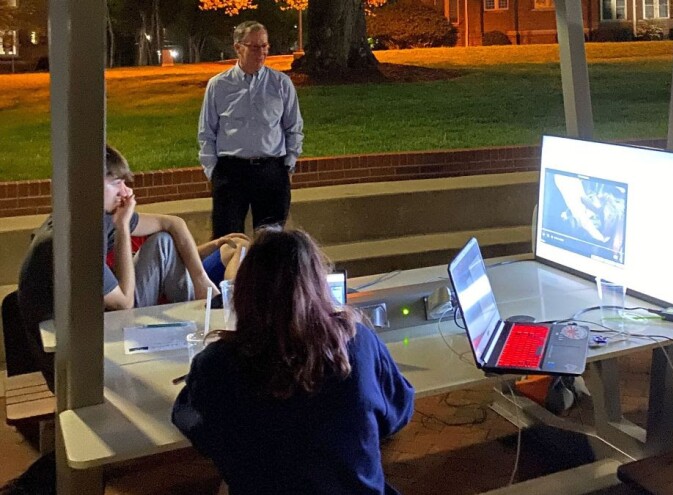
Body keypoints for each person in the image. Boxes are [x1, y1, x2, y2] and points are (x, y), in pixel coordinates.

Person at [172, 229, 414, 495]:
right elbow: (399, 412)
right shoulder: (359, 343)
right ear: (319, 285)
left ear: (244, 292)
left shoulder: (215, 365)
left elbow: (196, 428)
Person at [17, 145, 219, 390]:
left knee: (163, 243)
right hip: (75, 361)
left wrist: (200, 279)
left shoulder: (93, 215)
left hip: (95, 325)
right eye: (116, 183)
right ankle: (197, 349)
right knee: (160, 248)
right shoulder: (71, 240)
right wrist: (123, 227)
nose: (127, 192)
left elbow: (172, 222)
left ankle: (198, 337)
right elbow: (124, 303)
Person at [198, 20, 304, 239]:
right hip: (231, 172)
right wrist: (212, 171)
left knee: (271, 242)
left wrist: (288, 165)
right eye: (255, 47)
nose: (262, 52)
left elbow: (293, 127)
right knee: (228, 241)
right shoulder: (219, 85)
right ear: (238, 47)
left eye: (265, 46)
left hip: (271, 170)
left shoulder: (281, 84)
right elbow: (207, 131)